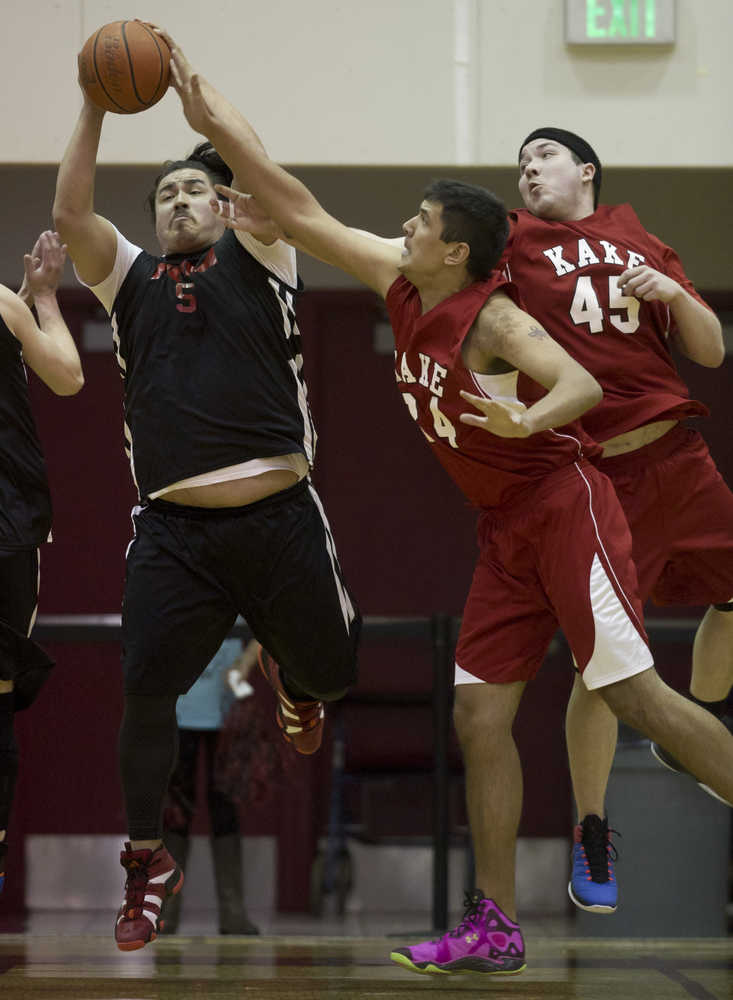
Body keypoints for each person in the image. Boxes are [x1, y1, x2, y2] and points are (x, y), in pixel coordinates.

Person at [159, 34, 733, 976]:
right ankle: (496, 924)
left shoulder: (495, 318)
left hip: (563, 502)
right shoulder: (398, 275)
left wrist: (525, 423)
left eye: (419, 220)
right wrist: (208, 114)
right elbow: (295, 204)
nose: (405, 225)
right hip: (506, 530)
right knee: (477, 717)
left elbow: (581, 389)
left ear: (452, 248)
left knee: (634, 696)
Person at [52, 80, 361, 952]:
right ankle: (146, 860)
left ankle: (298, 685)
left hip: (279, 514)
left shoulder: (262, 250)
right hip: (174, 532)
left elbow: (264, 182)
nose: (181, 201)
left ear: (225, 207)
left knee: (332, 673)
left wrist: (208, 119)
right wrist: (95, 104)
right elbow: (71, 208)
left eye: (195, 189)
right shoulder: (130, 278)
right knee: (145, 690)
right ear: (151, 219)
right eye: (166, 194)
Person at [505, 128, 733, 914]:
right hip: (594, 477)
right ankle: (592, 827)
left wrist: (674, 294)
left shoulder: (638, 237)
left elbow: (708, 350)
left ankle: (693, 727)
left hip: (676, 457)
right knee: (604, 667)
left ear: (585, 170)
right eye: (521, 162)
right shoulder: (511, 242)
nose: (530, 167)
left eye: (543, 155)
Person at [0, 231, 84, 895]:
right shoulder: (3, 304)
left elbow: (57, 374)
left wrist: (30, 303)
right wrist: (44, 301)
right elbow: (66, 374)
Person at [161, 635, 260, 935]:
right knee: (176, 810)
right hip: (179, 704)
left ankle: (232, 912)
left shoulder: (244, 585)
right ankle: (167, 909)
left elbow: (265, 625)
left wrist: (246, 662)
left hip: (226, 703)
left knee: (226, 805)